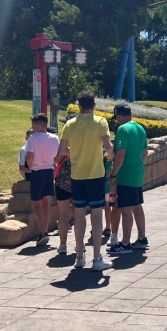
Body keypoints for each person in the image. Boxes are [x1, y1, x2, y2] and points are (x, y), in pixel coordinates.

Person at [56, 91, 114, 270]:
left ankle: (80, 256)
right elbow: (108, 146)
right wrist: (109, 155)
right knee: (97, 216)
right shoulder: (100, 122)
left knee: (79, 215)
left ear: (79, 106)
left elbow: (61, 151)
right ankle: (97, 259)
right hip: (95, 175)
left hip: (77, 176)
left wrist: (73, 151)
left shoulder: (70, 124)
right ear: (94, 105)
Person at [106, 103, 149, 255]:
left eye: (116, 117)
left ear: (118, 115)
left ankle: (125, 243)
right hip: (138, 172)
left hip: (126, 174)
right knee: (136, 205)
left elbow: (120, 154)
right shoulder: (140, 128)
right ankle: (142, 238)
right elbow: (145, 152)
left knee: (125, 208)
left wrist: (113, 174)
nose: (116, 120)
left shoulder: (123, 129)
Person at [23, 114, 59, 248]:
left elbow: (29, 156)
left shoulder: (33, 138)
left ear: (38, 125)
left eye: (33, 125)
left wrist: (30, 166)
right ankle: (45, 230)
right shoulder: (54, 138)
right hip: (49, 170)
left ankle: (43, 231)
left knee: (36, 202)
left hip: (37, 171)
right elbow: (58, 155)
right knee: (45, 201)